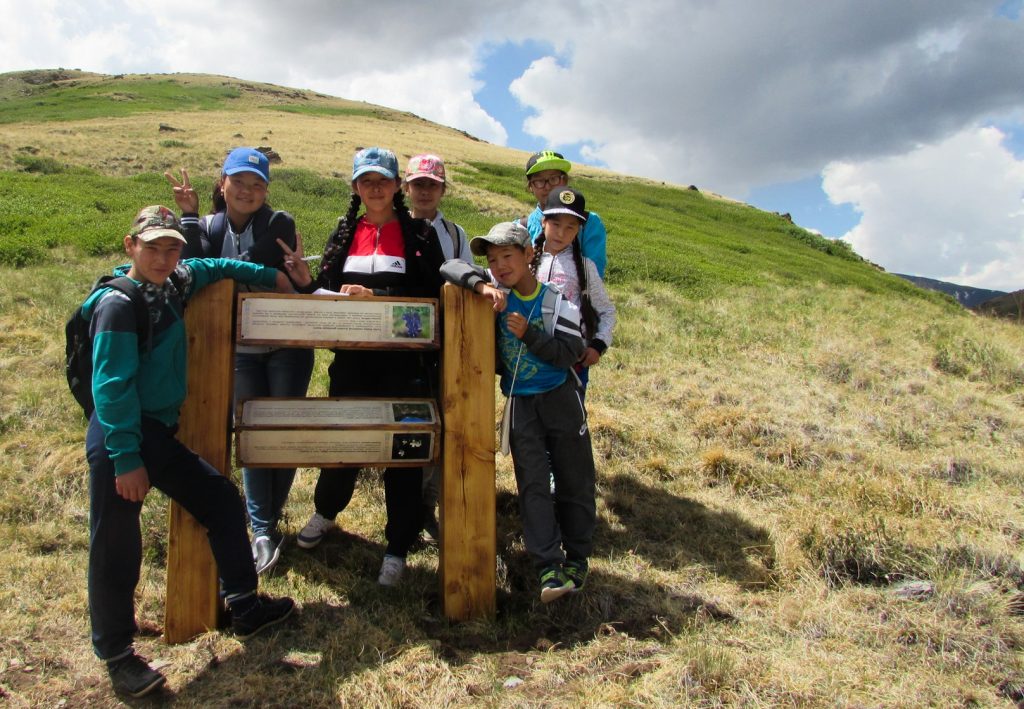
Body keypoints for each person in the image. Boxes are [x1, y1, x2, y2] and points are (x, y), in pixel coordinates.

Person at [83, 206, 297, 698]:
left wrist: (276, 279)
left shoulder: (176, 281)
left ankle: (243, 604)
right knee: (116, 544)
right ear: (130, 245)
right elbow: (111, 387)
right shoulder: (118, 304)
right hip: (123, 434)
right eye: (152, 247)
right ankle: (117, 657)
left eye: (172, 247)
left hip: (155, 432)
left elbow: (222, 267)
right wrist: (126, 459)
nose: (163, 257)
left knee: (221, 500)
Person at [284, 147, 446, 587]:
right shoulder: (344, 231)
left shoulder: (419, 236)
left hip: (403, 363)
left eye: (383, 180)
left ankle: (397, 547)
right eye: (365, 180)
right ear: (356, 187)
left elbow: (433, 298)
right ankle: (326, 512)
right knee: (345, 434)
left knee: (403, 450)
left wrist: (381, 300)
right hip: (352, 360)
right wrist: (305, 281)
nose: (374, 188)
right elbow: (328, 293)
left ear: (397, 185)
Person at [165, 148, 314, 576]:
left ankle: (267, 519)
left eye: (257, 185)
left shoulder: (279, 222)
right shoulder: (207, 224)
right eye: (240, 182)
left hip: (289, 344)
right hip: (240, 350)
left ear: (266, 191)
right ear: (222, 184)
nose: (248, 191)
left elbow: (221, 267)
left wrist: (215, 267)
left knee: (282, 432)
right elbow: (193, 267)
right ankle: (264, 528)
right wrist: (190, 216)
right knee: (249, 430)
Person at [439, 222, 597, 603]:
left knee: (574, 480)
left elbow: (568, 356)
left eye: (508, 256)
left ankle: (577, 558)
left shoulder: (558, 302)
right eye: (492, 260)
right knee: (533, 485)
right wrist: (482, 285)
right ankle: (548, 566)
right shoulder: (496, 297)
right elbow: (449, 269)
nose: (500, 265)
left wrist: (530, 334)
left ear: (529, 255)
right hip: (521, 404)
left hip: (560, 400)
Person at [401, 153, 472, 543]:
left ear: (442, 189)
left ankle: (426, 508)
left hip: (443, 345)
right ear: (407, 188)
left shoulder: (456, 235)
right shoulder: (392, 227)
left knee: (440, 423)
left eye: (432, 184)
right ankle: (406, 511)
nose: (425, 191)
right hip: (399, 344)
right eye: (418, 184)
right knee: (409, 422)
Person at [532, 186, 616, 397]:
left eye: (570, 227)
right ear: (543, 221)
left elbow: (607, 311)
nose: (561, 233)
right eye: (555, 224)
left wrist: (597, 345)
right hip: (530, 360)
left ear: (578, 230)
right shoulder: (526, 260)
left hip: (571, 363)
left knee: (566, 425)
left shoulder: (586, 267)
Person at [522, 150, 608, 278]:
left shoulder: (590, 222)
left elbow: (594, 275)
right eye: (539, 181)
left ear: (565, 180)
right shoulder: (521, 226)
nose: (547, 186)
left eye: (554, 179)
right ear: (530, 186)